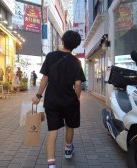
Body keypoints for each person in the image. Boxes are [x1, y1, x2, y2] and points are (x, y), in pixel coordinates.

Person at [32, 30, 85, 168]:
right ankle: (68, 150)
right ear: (75, 45)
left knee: (53, 131)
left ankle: (51, 164)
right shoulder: (76, 62)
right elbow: (78, 84)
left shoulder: (51, 56)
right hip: (69, 101)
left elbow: (45, 78)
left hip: (52, 101)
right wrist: (77, 97)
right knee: (70, 125)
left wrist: (38, 96)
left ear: (63, 40)